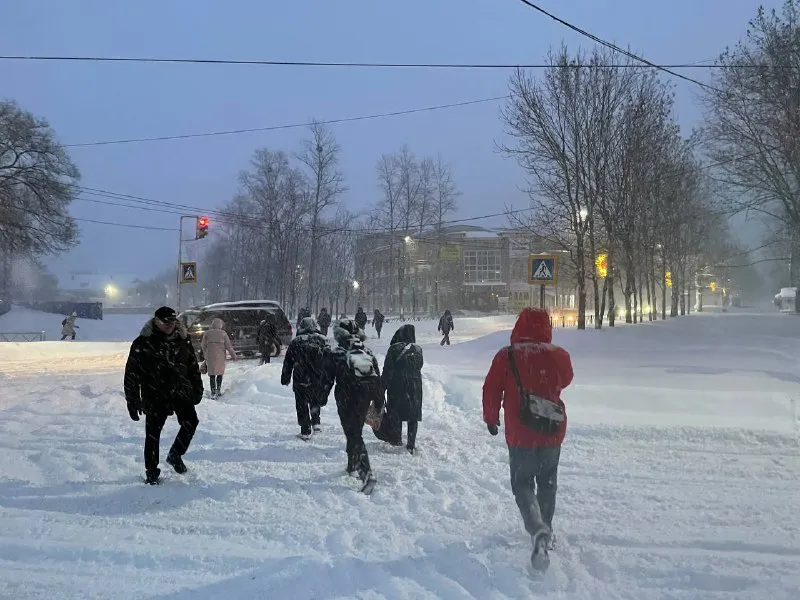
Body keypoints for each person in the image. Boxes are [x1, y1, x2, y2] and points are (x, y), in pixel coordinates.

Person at [482, 307, 573, 572]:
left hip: (521, 432)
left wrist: (491, 417)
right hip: (551, 430)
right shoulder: (559, 355)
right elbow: (566, 379)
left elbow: (491, 388)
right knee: (548, 482)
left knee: (522, 483)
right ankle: (547, 529)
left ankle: (537, 528)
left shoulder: (507, 356)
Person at [124, 306, 204, 485]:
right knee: (153, 433)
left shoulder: (183, 340)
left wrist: (197, 388)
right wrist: (132, 400)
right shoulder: (143, 342)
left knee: (191, 422)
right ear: (156, 321)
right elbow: (132, 373)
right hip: (155, 393)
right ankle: (152, 471)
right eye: (165, 322)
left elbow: (192, 367)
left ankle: (176, 454)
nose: (169, 325)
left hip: (180, 391)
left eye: (172, 321)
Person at [322, 319, 383, 493]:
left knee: (353, 433)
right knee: (355, 431)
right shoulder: (367, 351)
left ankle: (366, 474)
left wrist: (321, 399)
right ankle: (352, 465)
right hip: (365, 398)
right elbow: (377, 378)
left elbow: (327, 379)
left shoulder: (337, 353)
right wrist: (378, 402)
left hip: (346, 397)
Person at [374, 324, 423, 454]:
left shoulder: (394, 349)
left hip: (397, 387)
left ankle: (396, 439)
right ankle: (411, 444)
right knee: (413, 416)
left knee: (396, 414)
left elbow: (387, 371)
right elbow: (419, 366)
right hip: (415, 388)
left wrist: (381, 389)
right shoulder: (418, 349)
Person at [281, 317, 329, 439]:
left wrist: (285, 378)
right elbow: (329, 361)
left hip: (300, 378)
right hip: (317, 378)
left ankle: (305, 430)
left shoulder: (296, 342)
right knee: (315, 400)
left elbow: (288, 362)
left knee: (301, 403)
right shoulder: (323, 340)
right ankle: (316, 422)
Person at [200, 318, 237, 398]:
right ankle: (218, 390)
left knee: (212, 374)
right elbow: (229, 346)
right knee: (220, 373)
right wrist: (233, 355)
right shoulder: (223, 334)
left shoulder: (207, 333)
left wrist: (205, 353)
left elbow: (203, 345)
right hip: (220, 357)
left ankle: (213, 391)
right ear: (220, 325)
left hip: (210, 356)